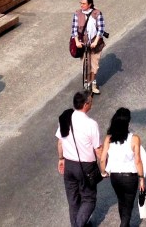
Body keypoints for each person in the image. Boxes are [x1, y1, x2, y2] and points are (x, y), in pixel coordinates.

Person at [57, 91, 102, 227]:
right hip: (85, 167)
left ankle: (76, 224)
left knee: (73, 200)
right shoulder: (91, 124)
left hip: (69, 165)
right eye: (91, 101)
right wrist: (106, 168)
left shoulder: (66, 118)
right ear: (86, 104)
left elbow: (60, 142)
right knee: (89, 199)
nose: (92, 103)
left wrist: (61, 159)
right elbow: (98, 150)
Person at [99, 107, 146, 227]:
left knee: (121, 201)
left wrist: (104, 172)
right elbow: (138, 161)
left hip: (115, 177)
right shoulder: (134, 139)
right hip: (130, 178)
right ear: (128, 122)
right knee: (128, 207)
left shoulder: (109, 138)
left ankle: (125, 224)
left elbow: (103, 159)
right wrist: (141, 179)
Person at [71, 0, 106, 93]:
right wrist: (77, 41)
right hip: (83, 44)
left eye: (84, 3)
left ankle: (93, 83)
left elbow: (101, 29)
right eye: (80, 3)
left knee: (95, 65)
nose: (81, 5)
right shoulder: (77, 14)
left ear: (89, 4)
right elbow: (74, 29)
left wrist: (95, 42)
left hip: (95, 44)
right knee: (85, 65)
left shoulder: (97, 13)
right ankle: (87, 83)